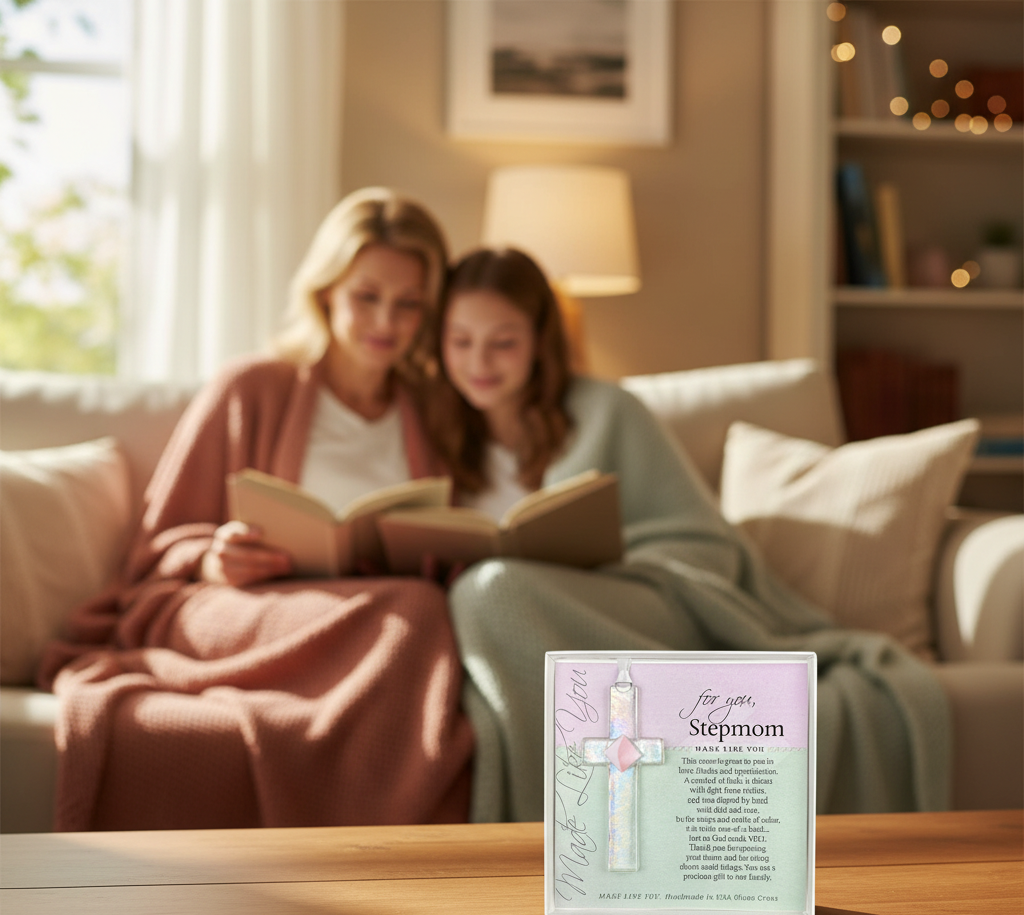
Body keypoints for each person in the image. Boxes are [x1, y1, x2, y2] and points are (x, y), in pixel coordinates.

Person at [421, 247, 951, 824]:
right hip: (523, 622)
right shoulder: (434, 431)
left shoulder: (608, 411)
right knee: (484, 594)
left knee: (492, 591)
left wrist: (600, 565)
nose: (479, 361)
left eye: (502, 342)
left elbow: (702, 541)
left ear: (539, 340)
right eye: (460, 340)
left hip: (642, 603)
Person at [39, 188, 474, 831]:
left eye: (410, 304)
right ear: (326, 291)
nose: (387, 321)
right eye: (367, 297)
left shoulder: (436, 413)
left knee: (415, 610)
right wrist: (217, 560)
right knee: (412, 613)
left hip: (367, 615)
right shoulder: (251, 386)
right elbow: (159, 545)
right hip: (237, 609)